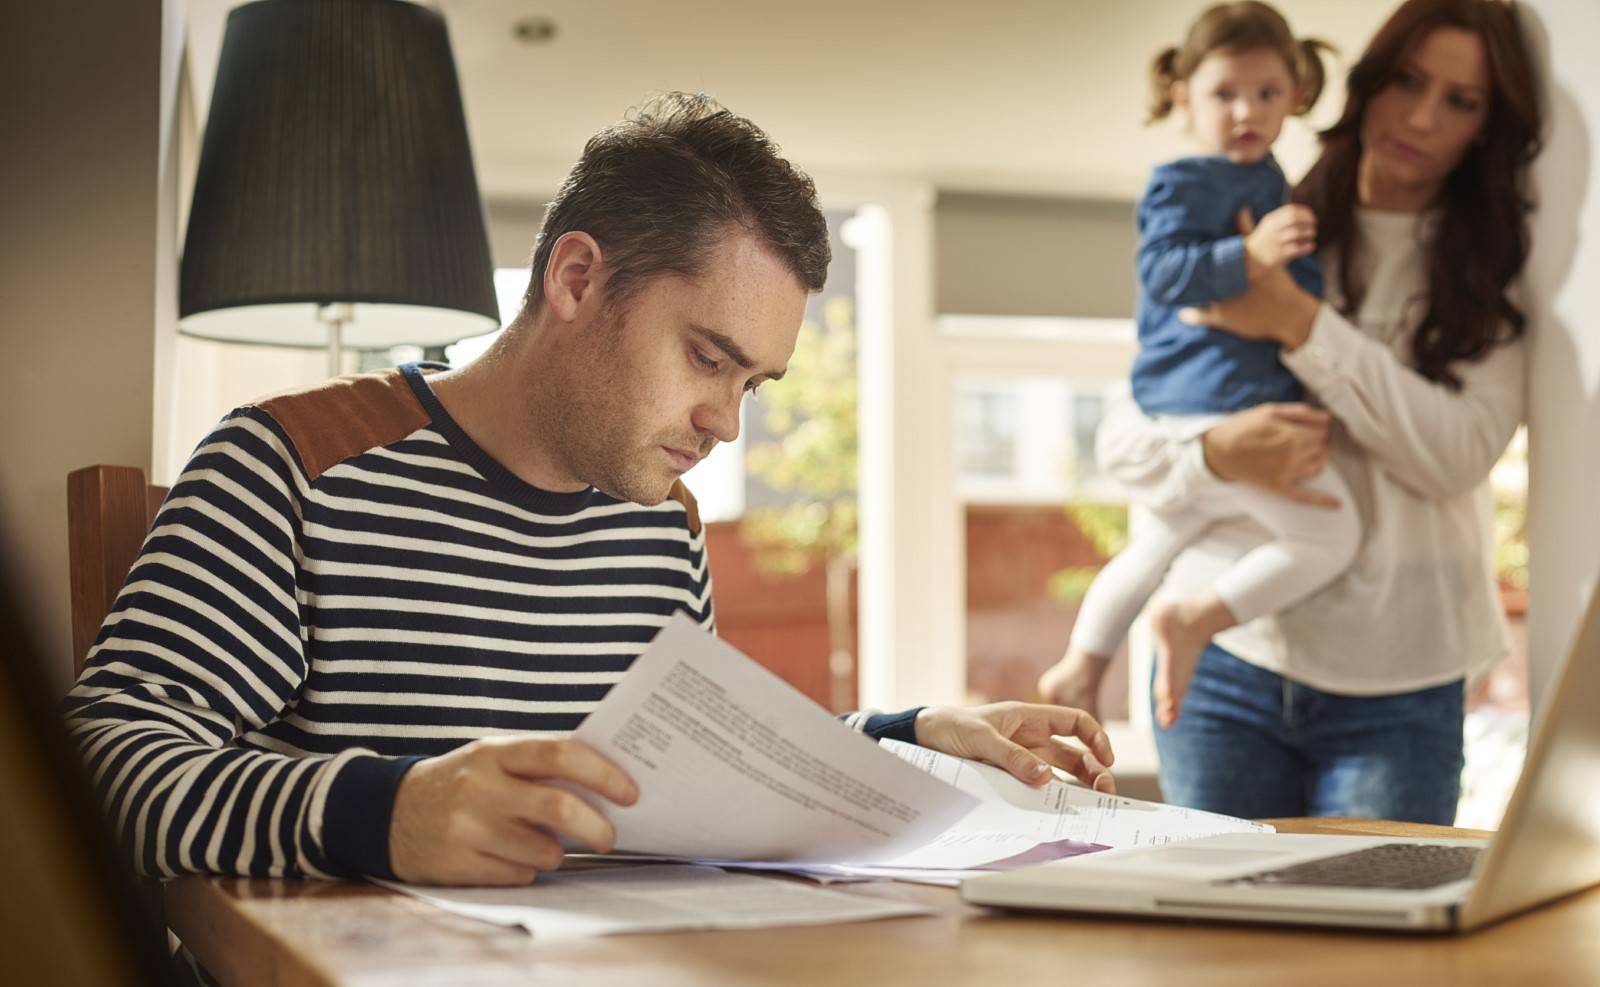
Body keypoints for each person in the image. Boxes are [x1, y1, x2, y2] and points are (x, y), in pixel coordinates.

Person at [62, 93, 1115, 903]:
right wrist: (380, 811)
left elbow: (681, 777)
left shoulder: (660, 529)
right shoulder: (292, 465)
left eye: (752, 384)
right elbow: (102, 768)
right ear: (576, 280)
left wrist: (904, 734)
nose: (726, 422)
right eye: (707, 357)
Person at [1043, 0, 1541, 824]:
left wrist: (1296, 322)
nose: (1421, 116)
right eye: (1408, 81)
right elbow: (1130, 438)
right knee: (1219, 942)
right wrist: (1217, 455)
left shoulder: (1491, 269)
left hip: (1401, 672)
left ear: (1489, 127)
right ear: (1367, 85)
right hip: (1226, 666)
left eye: (1462, 100)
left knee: (1372, 937)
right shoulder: (1264, 218)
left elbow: (1455, 456)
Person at [1038, 1, 1354, 730]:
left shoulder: (1274, 182)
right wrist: (1251, 257)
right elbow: (1165, 276)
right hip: (1208, 397)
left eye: (1268, 93)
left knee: (1156, 541)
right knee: (1334, 534)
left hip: (1217, 398)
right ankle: (1193, 620)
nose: (1248, 110)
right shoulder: (1183, 180)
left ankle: (1080, 665)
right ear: (1183, 98)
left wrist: (1289, 283)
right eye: (1224, 94)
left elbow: (1289, 294)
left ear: (1296, 96)